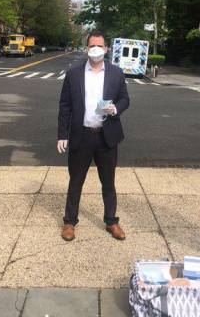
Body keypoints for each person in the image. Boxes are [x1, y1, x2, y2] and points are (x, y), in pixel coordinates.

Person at [57, 31, 130, 242]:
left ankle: (111, 221)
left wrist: (116, 109)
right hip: (82, 135)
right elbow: (65, 106)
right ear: (86, 48)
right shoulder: (74, 74)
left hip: (106, 137)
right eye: (92, 46)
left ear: (106, 49)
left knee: (108, 182)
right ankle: (70, 222)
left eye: (99, 46)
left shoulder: (116, 73)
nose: (96, 49)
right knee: (76, 181)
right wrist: (62, 134)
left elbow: (125, 99)